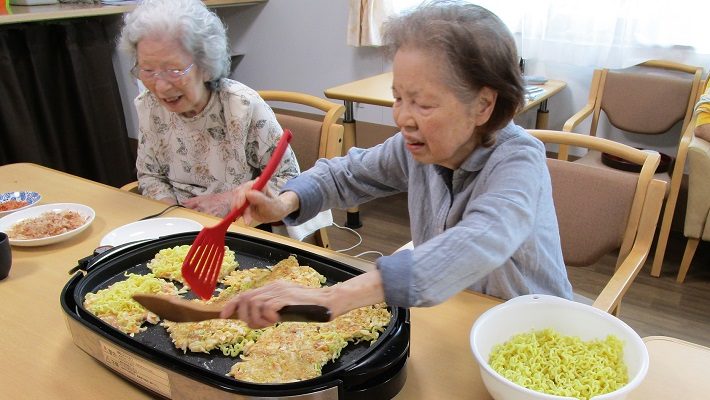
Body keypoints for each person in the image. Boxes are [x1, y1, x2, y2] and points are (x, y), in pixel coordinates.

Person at [220, 0, 573, 328]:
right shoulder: (418, 148)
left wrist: (334, 297)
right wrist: (283, 202)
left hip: (533, 326)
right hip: (454, 312)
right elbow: (346, 174)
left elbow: (479, 240)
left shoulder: (518, 158)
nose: (403, 117)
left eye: (422, 104)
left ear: (483, 105)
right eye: (398, 97)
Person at [118, 0, 299, 219]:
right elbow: (150, 175)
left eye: (174, 70)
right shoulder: (149, 105)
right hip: (175, 222)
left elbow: (289, 178)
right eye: (148, 70)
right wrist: (173, 219)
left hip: (237, 222)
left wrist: (229, 200)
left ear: (205, 65)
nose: (161, 86)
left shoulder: (242, 107)